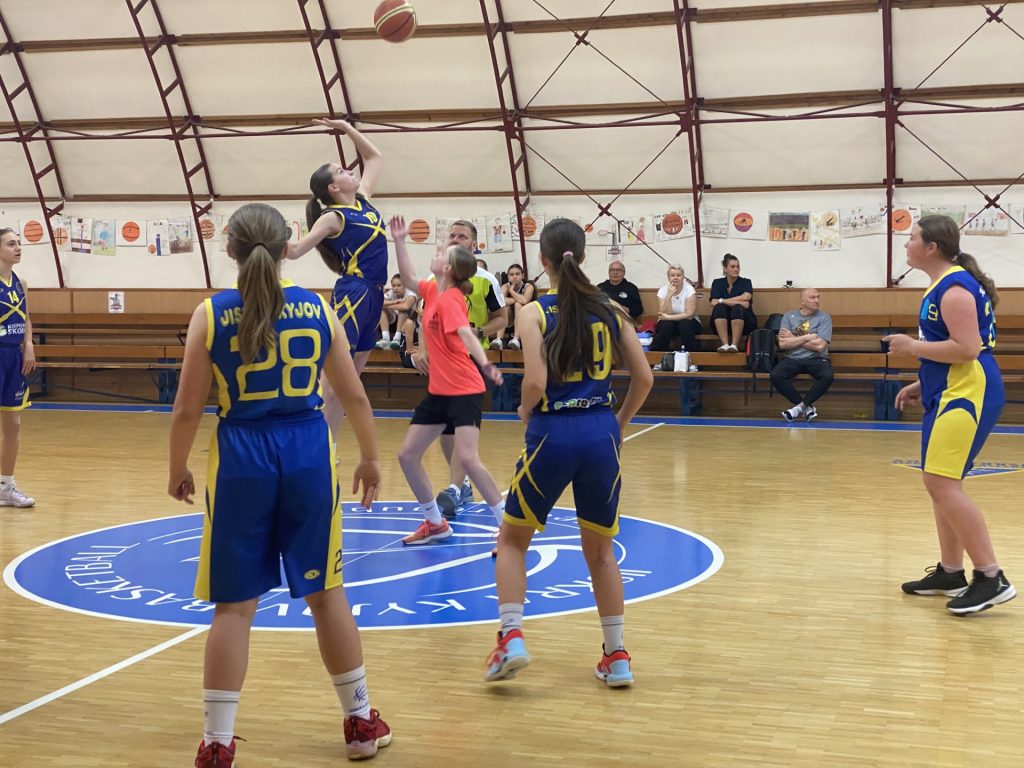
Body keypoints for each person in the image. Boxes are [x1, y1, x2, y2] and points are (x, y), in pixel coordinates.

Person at [167, 204, 391, 765]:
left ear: (230, 248)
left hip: (241, 455)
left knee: (234, 607)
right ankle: (360, 723)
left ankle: (217, 743)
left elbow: (186, 409)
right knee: (327, 594)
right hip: (308, 450)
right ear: (288, 241)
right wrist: (369, 458)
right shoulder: (319, 308)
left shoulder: (210, 314)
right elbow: (355, 395)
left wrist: (177, 467)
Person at [485, 218, 653, 686]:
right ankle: (616, 656)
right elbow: (644, 378)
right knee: (601, 552)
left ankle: (511, 638)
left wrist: (524, 407)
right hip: (600, 432)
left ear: (543, 260)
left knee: (511, 541)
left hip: (553, 432)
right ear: (583, 255)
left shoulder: (533, 312)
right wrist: (619, 424)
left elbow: (535, 382)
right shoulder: (611, 309)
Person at [885, 215, 1015, 615]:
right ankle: (951, 571)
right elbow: (953, 348)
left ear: (931, 247)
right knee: (941, 483)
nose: (906, 244)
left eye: (911, 238)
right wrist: (921, 382)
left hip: (968, 392)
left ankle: (991, 577)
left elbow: (968, 349)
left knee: (942, 484)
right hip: (949, 388)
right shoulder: (944, 284)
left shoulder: (955, 289)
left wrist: (911, 347)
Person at [389, 216, 507, 545]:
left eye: (443, 253)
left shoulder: (451, 298)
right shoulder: (432, 288)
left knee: (468, 458)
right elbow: (408, 277)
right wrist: (399, 240)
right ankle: (435, 522)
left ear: (449, 269)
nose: (439, 252)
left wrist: (486, 364)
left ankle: (508, 526)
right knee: (407, 455)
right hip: (440, 390)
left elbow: (467, 334)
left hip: (464, 388)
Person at [288, 118, 385, 448]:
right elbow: (297, 251)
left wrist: (346, 127)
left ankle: (327, 446)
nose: (350, 171)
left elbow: (375, 157)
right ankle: (317, 446)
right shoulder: (332, 217)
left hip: (375, 295)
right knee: (333, 382)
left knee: (351, 382)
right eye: (342, 171)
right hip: (353, 293)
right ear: (333, 188)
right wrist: (265, 240)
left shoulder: (364, 201)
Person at [424, 220, 507, 516]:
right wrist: (422, 349)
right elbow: (425, 317)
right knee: (445, 428)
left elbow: (502, 318)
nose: (455, 239)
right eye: (452, 235)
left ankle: (455, 487)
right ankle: (461, 484)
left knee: (463, 427)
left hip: (468, 360)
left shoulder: (486, 280)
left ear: (474, 244)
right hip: (440, 361)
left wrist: (480, 331)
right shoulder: (434, 278)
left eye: (462, 236)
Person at [0, 227, 35, 508]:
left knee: (13, 425)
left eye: (19, 243)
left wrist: (29, 345)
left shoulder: (20, 282)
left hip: (14, 357)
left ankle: (6, 486)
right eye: (11, 244)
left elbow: (26, 318)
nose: (18, 248)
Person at [770, 288, 834, 422]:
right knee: (776, 375)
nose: (817, 300)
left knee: (827, 376)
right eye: (812, 297)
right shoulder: (789, 316)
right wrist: (807, 337)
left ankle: (798, 408)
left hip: (816, 358)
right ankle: (806, 407)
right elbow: (783, 344)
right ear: (802, 301)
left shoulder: (824, 317)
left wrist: (793, 338)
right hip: (792, 358)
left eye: (818, 297)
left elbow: (819, 346)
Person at [649, 264, 700, 353]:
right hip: (669, 323)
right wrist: (669, 295)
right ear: (668, 278)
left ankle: (692, 356)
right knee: (666, 326)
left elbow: (689, 315)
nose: (675, 278)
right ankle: (658, 356)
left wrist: (668, 317)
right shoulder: (662, 291)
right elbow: (663, 313)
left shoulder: (689, 289)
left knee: (684, 325)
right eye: (672, 275)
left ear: (683, 277)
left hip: (689, 322)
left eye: (678, 275)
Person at [709, 254, 756, 352]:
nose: (736, 269)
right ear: (725, 269)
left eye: (738, 267)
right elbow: (713, 303)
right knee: (719, 308)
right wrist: (738, 300)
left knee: (737, 308)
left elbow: (746, 302)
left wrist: (722, 300)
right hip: (722, 322)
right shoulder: (717, 283)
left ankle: (734, 345)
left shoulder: (746, 282)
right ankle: (725, 344)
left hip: (744, 322)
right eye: (732, 267)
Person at [376, 273, 417, 350]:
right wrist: (394, 302)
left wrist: (387, 305)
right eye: (394, 286)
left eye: (399, 285)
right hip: (395, 323)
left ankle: (398, 338)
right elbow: (378, 303)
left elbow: (406, 306)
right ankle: (385, 339)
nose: (396, 288)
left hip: (411, 324)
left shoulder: (411, 293)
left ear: (405, 285)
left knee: (402, 310)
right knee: (382, 310)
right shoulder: (391, 292)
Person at [500, 263, 536, 350]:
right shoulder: (505, 286)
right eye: (511, 274)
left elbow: (525, 300)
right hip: (510, 319)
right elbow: (500, 301)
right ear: (508, 277)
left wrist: (512, 292)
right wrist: (516, 299)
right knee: (505, 308)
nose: (515, 277)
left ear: (522, 275)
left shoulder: (529, 286)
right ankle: (499, 339)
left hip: (527, 318)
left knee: (518, 305)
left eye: (517, 274)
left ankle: (516, 338)